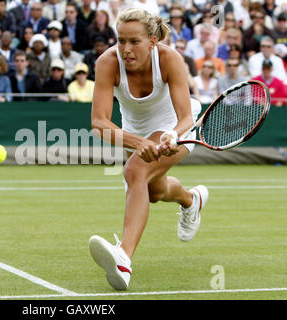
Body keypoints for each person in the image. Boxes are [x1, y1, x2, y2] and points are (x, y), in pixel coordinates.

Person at [88, 8, 207, 290]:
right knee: (155, 192)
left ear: (153, 41)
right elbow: (99, 122)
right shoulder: (107, 62)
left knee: (134, 173)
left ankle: (123, 258)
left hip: (176, 125)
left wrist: (171, 136)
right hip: (136, 131)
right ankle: (191, 200)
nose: (126, 49)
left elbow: (186, 117)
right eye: (121, 41)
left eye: (135, 42)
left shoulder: (169, 58)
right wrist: (139, 141)